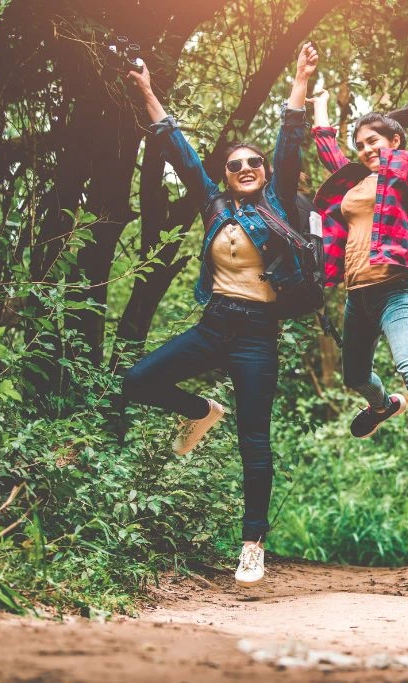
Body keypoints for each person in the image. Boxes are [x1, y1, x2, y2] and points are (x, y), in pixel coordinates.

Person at [123, 43, 319, 587]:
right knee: (138, 379)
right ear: (227, 176)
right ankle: (201, 409)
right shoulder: (214, 205)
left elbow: (289, 142)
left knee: (254, 441)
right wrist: (143, 84)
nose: (248, 168)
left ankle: (252, 544)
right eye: (237, 165)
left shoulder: (277, 201)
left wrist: (300, 79)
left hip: (258, 334)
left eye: (254, 162)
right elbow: (177, 145)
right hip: (214, 325)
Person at [309, 16, 408, 488]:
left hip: (398, 291)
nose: (365, 150)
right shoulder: (354, 182)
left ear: (394, 141)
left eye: (373, 141)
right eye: (359, 145)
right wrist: (318, 101)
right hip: (358, 296)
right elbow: (326, 149)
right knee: (354, 376)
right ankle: (384, 406)